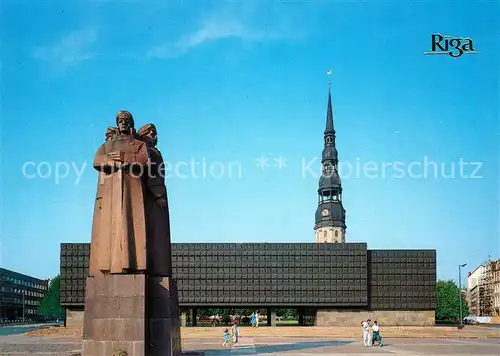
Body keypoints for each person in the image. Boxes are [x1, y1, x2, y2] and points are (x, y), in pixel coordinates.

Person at [89, 111, 150, 275]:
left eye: (126, 120)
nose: (123, 123)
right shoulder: (108, 145)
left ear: (130, 123)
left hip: (133, 191)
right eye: (120, 121)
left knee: (131, 227)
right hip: (112, 193)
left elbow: (145, 160)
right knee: (112, 230)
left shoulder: (138, 144)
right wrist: (111, 162)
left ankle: (134, 266)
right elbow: (96, 160)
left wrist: (125, 158)